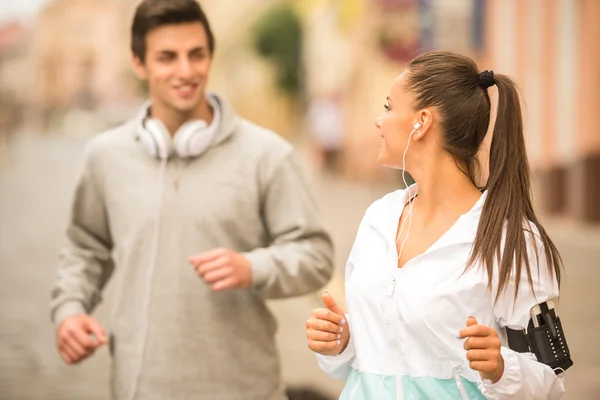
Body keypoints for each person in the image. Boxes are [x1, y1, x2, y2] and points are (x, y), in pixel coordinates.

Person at [50, 1, 334, 399]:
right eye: (167, 57)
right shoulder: (105, 156)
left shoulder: (267, 155)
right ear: (139, 63)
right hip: (138, 388)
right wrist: (70, 310)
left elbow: (316, 257)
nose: (186, 71)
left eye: (196, 54)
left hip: (244, 389)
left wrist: (252, 266)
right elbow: (85, 247)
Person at [305, 51, 568, 399]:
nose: (378, 121)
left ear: (422, 122)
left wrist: (501, 368)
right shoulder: (378, 219)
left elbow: (550, 384)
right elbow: (382, 346)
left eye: (388, 107)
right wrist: (342, 341)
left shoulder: (509, 239)